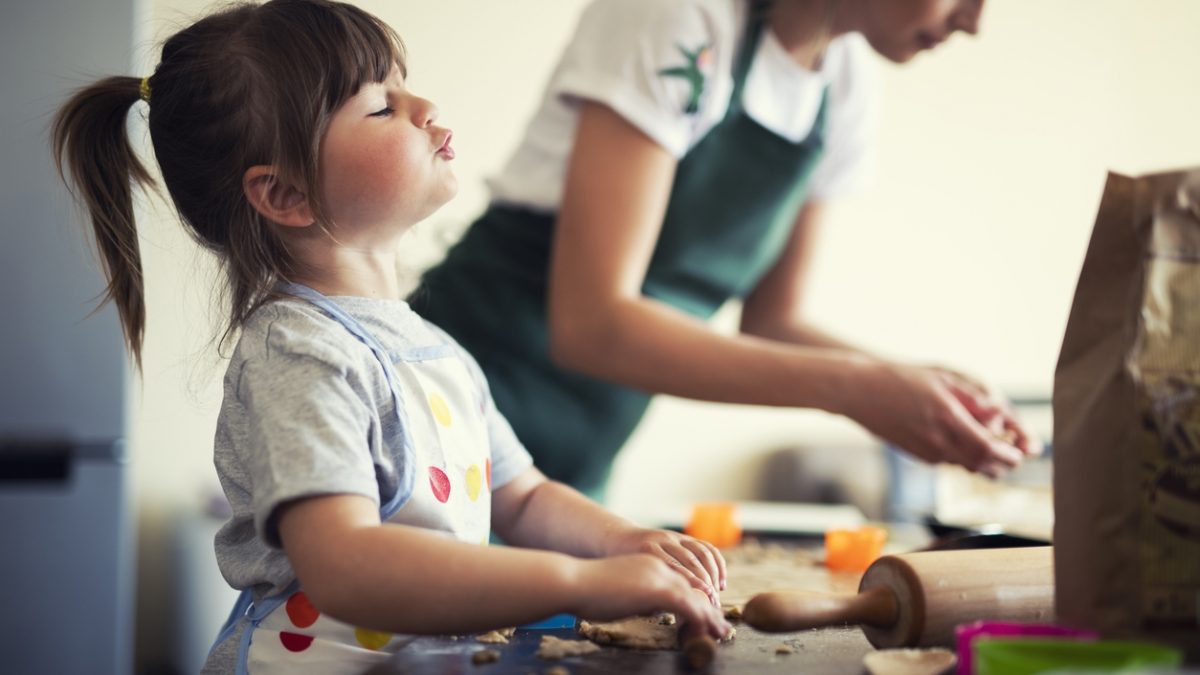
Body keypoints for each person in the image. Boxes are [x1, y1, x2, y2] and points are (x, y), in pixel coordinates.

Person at [51, 1, 731, 673]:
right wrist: (580, 582)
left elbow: (522, 496)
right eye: (381, 106)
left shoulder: (438, 351)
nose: (425, 106)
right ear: (287, 195)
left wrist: (625, 541)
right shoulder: (298, 352)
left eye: (403, 85)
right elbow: (345, 565)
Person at [412, 0, 1040, 499]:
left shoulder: (845, 88)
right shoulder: (677, 17)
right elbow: (591, 325)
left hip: (573, 474)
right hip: (450, 421)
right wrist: (857, 390)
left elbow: (775, 322)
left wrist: (912, 385)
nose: (974, 21)